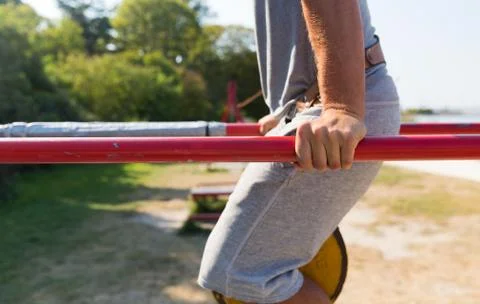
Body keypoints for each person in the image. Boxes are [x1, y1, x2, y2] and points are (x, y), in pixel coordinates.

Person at [198, 0, 401, 303]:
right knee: (238, 272)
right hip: (310, 107)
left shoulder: (338, 107)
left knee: (235, 272)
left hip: (335, 108)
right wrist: (287, 109)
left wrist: (342, 106)